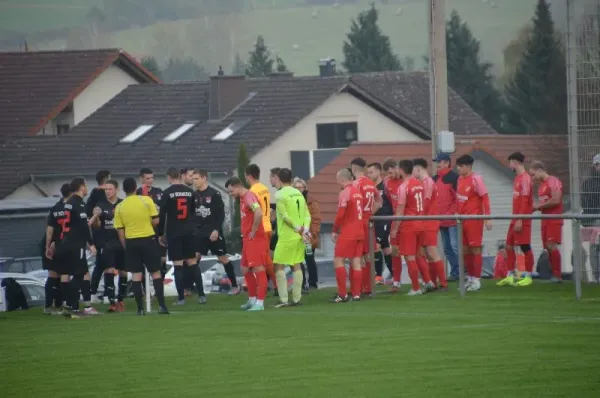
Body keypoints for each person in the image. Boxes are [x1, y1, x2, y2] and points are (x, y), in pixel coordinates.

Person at [114, 177, 169, 315]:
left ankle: (140, 309)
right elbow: (156, 220)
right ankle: (162, 306)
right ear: (135, 188)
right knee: (155, 273)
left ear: (123, 189)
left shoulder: (119, 206)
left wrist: (125, 245)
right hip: (148, 239)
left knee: (136, 276)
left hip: (131, 241)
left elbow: (120, 230)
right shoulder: (146, 200)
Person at [158, 167, 201, 305]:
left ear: (169, 177)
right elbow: (194, 212)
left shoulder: (166, 193)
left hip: (174, 232)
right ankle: (201, 295)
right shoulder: (190, 192)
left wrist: (160, 233)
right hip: (189, 231)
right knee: (192, 262)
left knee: (178, 265)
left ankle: (181, 298)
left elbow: (162, 215)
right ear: (179, 176)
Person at [225, 177, 269, 311]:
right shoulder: (243, 199)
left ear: (237, 186)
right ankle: (252, 299)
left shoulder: (249, 196)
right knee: (245, 268)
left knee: (258, 269)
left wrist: (254, 230)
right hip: (247, 239)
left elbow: (258, 212)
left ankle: (260, 303)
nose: (231, 194)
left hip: (255, 238)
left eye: (231, 191)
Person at [193, 169, 238, 298]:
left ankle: (234, 286)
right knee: (194, 259)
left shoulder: (214, 194)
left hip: (213, 233)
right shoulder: (194, 195)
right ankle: (194, 289)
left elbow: (221, 215)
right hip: (199, 233)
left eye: (197, 178)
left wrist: (216, 230)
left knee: (223, 258)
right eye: (194, 179)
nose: (194, 181)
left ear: (204, 178)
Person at [56, 177, 98, 316]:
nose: (86, 188)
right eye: (85, 185)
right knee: (79, 274)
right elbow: (83, 226)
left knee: (82, 272)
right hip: (76, 244)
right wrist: (91, 244)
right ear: (81, 187)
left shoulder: (68, 202)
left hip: (67, 241)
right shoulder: (78, 203)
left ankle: (80, 307)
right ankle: (71, 307)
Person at [390, 160, 432, 295]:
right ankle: (428, 282)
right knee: (420, 255)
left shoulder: (404, 186)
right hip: (421, 223)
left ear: (401, 170)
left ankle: (416, 288)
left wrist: (395, 228)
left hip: (409, 225)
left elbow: (400, 209)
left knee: (410, 257)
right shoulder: (419, 184)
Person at [273, 168, 311, 307]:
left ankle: (283, 299)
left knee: (278, 265)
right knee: (297, 265)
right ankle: (296, 298)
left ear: (279, 178)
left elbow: (284, 215)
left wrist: (296, 227)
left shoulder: (279, 194)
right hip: (300, 236)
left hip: (287, 235)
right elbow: (307, 213)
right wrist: (305, 229)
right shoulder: (299, 194)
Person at [497, 152, 535, 287]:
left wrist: (520, 219)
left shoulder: (525, 178)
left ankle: (528, 276)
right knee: (508, 245)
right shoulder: (517, 178)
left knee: (525, 247)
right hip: (515, 218)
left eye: (510, 162)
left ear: (516, 162)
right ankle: (510, 275)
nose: (509, 165)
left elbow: (525, 200)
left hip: (522, 218)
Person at [456, 154, 492, 292]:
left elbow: (485, 198)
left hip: (474, 219)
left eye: (461, 166)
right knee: (465, 251)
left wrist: (487, 218)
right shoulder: (460, 179)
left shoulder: (477, 179)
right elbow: (459, 199)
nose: (458, 168)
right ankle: (470, 278)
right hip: (462, 220)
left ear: (468, 166)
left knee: (475, 249)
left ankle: (477, 279)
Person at [90, 179, 126, 312]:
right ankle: (111, 301)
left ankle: (121, 300)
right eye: (106, 189)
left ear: (117, 189)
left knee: (123, 272)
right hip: (107, 243)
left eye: (110, 189)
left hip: (121, 242)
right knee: (109, 270)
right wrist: (97, 217)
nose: (108, 192)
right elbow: (97, 226)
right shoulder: (101, 204)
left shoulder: (122, 204)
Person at [413, 158, 447, 291]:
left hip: (429, 221)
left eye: (414, 170)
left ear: (418, 169)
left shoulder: (427, 183)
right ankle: (434, 283)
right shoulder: (427, 182)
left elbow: (426, 203)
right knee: (428, 253)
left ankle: (443, 283)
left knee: (432, 252)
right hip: (428, 220)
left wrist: (420, 216)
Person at [350, 157, 382, 297]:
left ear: (353, 168)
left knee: (358, 256)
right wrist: (370, 213)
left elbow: (352, 204)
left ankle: (360, 288)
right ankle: (369, 287)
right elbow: (379, 201)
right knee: (369, 255)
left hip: (358, 222)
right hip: (368, 221)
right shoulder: (371, 183)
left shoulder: (355, 184)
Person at [331, 168, 364, 302]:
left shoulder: (345, 193)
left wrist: (335, 230)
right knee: (356, 262)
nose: (337, 181)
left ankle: (342, 294)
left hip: (348, 232)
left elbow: (340, 214)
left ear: (342, 179)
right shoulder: (358, 193)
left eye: (337, 179)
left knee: (338, 260)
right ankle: (356, 294)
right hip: (360, 231)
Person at [530, 161, 564, 283]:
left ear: (540, 170)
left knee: (551, 245)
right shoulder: (541, 186)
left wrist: (538, 206)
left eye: (533, 175)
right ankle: (553, 274)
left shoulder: (553, 181)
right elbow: (544, 204)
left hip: (554, 218)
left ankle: (557, 275)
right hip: (545, 219)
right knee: (547, 247)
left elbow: (556, 200)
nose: (533, 178)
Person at [245, 164, 277, 291]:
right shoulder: (264, 188)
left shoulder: (252, 191)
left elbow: (255, 212)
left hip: (260, 227)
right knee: (266, 258)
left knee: (262, 260)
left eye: (245, 176)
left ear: (249, 176)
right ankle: (274, 285)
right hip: (268, 225)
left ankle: (272, 285)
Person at [42, 183, 72, 315]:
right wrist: (50, 246)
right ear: (71, 193)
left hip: (54, 243)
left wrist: (47, 245)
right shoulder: (71, 208)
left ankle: (55, 305)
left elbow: (49, 229)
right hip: (58, 244)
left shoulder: (55, 208)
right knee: (56, 275)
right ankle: (51, 306)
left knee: (57, 275)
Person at [432, 153, 460, 280]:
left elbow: (458, 198)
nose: (438, 164)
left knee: (455, 246)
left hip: (453, 219)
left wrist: (452, 212)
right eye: (438, 162)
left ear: (448, 163)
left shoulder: (455, 178)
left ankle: (463, 271)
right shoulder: (434, 179)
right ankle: (455, 272)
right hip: (441, 220)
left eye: (441, 161)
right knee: (447, 248)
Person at [367, 162, 394, 284]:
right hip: (375, 220)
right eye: (368, 172)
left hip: (384, 220)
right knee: (386, 248)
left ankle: (378, 276)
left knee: (376, 246)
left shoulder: (385, 186)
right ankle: (394, 275)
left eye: (371, 172)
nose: (369, 174)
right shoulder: (371, 187)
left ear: (378, 172)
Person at [293, 177, 322, 290]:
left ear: (305, 188)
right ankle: (301, 283)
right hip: (296, 235)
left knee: (309, 258)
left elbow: (316, 219)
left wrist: (313, 234)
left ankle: (313, 283)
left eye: (301, 187)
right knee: (298, 260)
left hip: (308, 236)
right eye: (296, 187)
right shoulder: (291, 200)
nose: (299, 189)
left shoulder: (311, 201)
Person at [136, 168, 166, 275]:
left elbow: (164, 211)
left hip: (158, 231)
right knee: (144, 261)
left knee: (162, 260)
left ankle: (160, 288)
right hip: (143, 232)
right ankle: (145, 288)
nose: (150, 180)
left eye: (152, 178)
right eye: (147, 178)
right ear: (141, 179)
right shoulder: (137, 193)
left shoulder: (159, 192)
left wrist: (163, 233)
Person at [87, 170, 110, 303]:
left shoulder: (93, 195)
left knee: (102, 264)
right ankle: (104, 293)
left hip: (102, 234)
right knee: (104, 264)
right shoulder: (99, 194)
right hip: (102, 233)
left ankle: (95, 292)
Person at [382, 158, 404, 290]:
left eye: (391, 172)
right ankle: (396, 282)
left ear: (397, 168)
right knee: (395, 251)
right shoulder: (387, 183)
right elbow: (389, 201)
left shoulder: (406, 181)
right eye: (388, 173)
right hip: (395, 221)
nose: (389, 175)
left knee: (416, 252)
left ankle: (426, 281)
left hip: (408, 221)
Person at [581, 154, 600, 282]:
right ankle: (597, 275)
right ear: (594, 166)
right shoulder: (588, 183)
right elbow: (585, 202)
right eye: (598, 164)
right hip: (594, 219)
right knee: (594, 247)